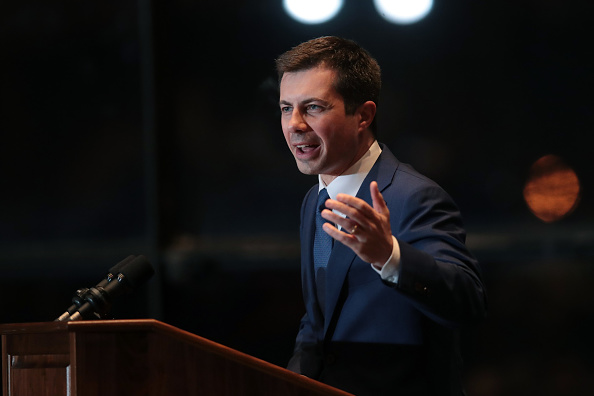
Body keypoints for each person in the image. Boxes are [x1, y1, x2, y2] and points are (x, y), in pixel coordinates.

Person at [276, 36, 487, 396]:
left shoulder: (414, 195)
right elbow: (318, 322)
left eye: (312, 107)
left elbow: (468, 302)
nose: (294, 124)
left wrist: (388, 256)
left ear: (363, 115)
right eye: (285, 108)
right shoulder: (315, 199)